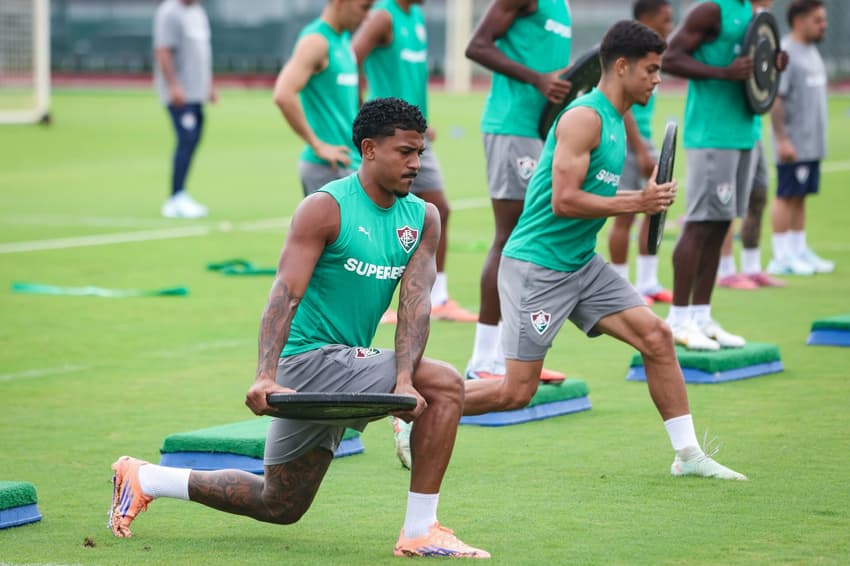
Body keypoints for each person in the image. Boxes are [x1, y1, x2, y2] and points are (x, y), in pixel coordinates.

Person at [107, 98, 490, 559]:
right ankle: (420, 530)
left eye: (420, 153)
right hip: (306, 361)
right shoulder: (324, 208)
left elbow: (415, 304)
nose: (416, 164)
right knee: (448, 384)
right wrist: (265, 374)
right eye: (404, 152)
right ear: (369, 149)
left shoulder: (423, 217)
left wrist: (405, 378)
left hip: (346, 365)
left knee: (280, 503)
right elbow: (283, 294)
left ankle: (144, 477)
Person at [463, 20, 747, 481]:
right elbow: (564, 200)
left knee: (657, 338)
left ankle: (688, 455)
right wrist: (638, 202)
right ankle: (419, 408)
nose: (659, 78)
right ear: (620, 66)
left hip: (580, 263)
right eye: (651, 70)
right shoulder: (584, 117)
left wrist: (643, 187)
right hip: (538, 267)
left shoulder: (617, 120)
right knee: (516, 391)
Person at [661, 0, 785, 351]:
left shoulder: (754, 15)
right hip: (712, 134)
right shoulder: (711, 10)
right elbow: (669, 58)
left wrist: (771, 67)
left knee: (721, 224)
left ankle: (702, 316)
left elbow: (752, 69)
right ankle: (678, 319)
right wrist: (723, 72)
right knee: (700, 224)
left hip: (745, 131)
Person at [463, 0, 573, 382]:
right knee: (510, 238)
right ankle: (482, 360)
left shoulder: (561, 7)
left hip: (540, 132)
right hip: (511, 127)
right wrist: (537, 79)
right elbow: (476, 46)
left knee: (532, 240)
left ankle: (513, 360)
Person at [352, 0, 478, 323]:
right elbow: (351, 57)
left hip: (414, 137)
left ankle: (438, 298)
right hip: (389, 138)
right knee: (372, 213)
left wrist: (419, 125)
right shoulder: (383, 16)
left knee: (437, 210)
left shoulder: (417, 16)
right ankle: (372, 300)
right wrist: (368, 119)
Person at [607, 0, 675, 305]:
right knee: (625, 214)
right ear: (647, 18)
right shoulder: (629, 56)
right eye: (666, 19)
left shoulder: (650, 56)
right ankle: (620, 285)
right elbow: (624, 109)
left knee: (654, 205)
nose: (670, 26)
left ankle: (647, 282)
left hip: (644, 140)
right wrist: (639, 148)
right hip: (626, 141)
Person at [716, 0, 786, 290]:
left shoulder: (761, 22)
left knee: (758, 195)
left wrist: (774, 63)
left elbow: (761, 71)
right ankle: (725, 270)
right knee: (725, 203)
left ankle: (753, 266)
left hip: (753, 124)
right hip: (725, 128)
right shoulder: (730, 16)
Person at [272, 0, 371, 196]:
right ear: (340, 3)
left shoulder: (343, 39)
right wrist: (318, 145)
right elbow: (283, 94)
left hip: (351, 163)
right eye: (364, 7)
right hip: (328, 168)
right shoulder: (316, 41)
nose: (367, 16)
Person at [767, 0, 833, 275]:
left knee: (800, 196)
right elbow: (776, 99)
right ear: (799, 21)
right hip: (793, 143)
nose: (823, 25)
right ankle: (780, 256)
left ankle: (798, 249)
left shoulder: (811, 50)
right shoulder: (785, 51)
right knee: (786, 195)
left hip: (812, 144)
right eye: (817, 20)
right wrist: (782, 139)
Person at [154, 0, 216, 219]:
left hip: (197, 91)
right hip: (181, 93)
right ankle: (175, 197)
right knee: (186, 139)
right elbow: (163, 50)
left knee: (194, 139)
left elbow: (202, 52)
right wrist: (173, 85)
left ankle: (181, 193)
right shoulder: (169, 12)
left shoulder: (198, 11)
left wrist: (208, 85)